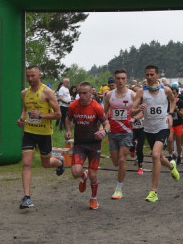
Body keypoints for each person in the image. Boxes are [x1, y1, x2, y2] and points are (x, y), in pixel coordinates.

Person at [18, 65, 65, 210]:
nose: (30, 79)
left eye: (33, 76)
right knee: (26, 164)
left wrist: (41, 116)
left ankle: (59, 162)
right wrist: (21, 119)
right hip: (29, 133)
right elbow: (25, 109)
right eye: (28, 76)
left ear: (39, 75)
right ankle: (27, 197)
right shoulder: (24, 93)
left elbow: (58, 114)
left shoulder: (47, 92)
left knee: (46, 164)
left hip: (44, 134)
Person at [64, 81, 108, 210]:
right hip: (80, 144)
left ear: (91, 93)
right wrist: (68, 130)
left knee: (94, 175)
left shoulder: (97, 107)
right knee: (75, 172)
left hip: (94, 145)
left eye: (84, 93)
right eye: (79, 93)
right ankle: (84, 176)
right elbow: (68, 119)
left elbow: (106, 123)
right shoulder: (73, 106)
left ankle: (93, 199)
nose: (81, 96)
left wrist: (103, 131)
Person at [140, 65, 180, 202]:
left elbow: (173, 100)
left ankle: (154, 191)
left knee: (155, 155)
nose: (149, 77)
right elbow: (133, 109)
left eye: (152, 75)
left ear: (157, 75)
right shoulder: (142, 92)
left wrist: (170, 114)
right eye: (147, 75)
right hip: (149, 128)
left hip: (163, 126)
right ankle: (171, 166)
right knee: (160, 157)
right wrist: (136, 113)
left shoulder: (166, 90)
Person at [103, 68, 137, 200]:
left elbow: (140, 111)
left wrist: (134, 118)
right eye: (118, 78)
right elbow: (104, 112)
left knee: (122, 159)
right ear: (114, 80)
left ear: (126, 80)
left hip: (127, 132)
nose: (120, 81)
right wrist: (103, 125)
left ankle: (118, 189)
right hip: (113, 132)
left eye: (123, 78)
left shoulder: (132, 95)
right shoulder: (109, 95)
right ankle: (119, 185)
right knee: (116, 162)